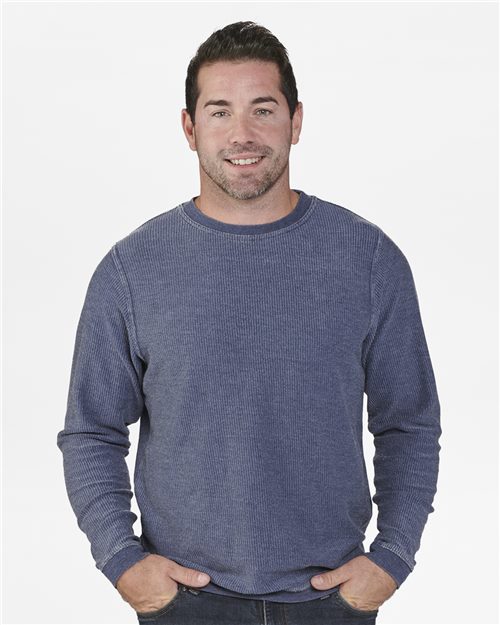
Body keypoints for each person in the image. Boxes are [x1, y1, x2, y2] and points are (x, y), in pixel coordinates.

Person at [57, 21, 441, 625]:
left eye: (263, 109)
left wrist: (391, 559)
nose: (242, 134)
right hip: (183, 601)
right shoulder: (132, 269)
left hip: (332, 600)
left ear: (296, 121)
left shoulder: (367, 259)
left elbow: (408, 423)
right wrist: (122, 561)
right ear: (189, 128)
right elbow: (91, 431)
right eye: (219, 112)